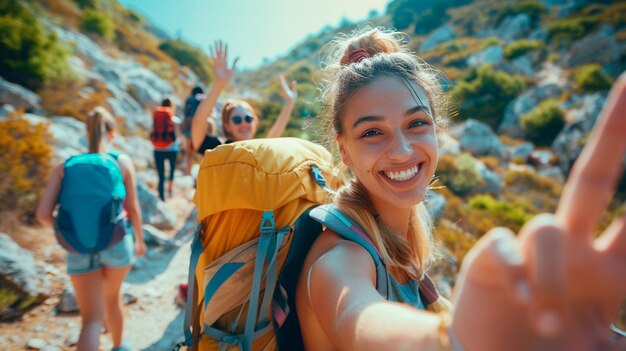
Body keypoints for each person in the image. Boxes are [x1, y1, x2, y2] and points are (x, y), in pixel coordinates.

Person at [295, 25, 626, 351]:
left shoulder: (396, 244)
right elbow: (354, 319)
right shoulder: (339, 257)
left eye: (416, 124)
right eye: (371, 132)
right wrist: (450, 341)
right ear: (343, 150)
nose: (403, 150)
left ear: (436, 129)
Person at [36, 107, 147, 351]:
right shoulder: (121, 162)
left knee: (91, 319)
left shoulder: (65, 166)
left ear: (86, 132)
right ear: (113, 133)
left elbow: (43, 214)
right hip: (117, 243)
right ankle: (119, 346)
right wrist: (139, 240)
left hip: (76, 246)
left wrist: (66, 232)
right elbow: (133, 208)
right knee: (113, 297)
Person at [190, 40, 298, 155]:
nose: (244, 123)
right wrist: (219, 83)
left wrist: (290, 103)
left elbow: (273, 135)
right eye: (237, 120)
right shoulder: (219, 149)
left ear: (254, 122)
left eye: (248, 118)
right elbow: (197, 128)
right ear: (227, 127)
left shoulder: (257, 151)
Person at [150, 97, 181, 201]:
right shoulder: (172, 118)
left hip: (157, 148)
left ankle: (161, 196)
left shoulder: (156, 115)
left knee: (161, 174)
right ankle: (170, 190)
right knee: (171, 171)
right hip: (171, 149)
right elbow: (178, 135)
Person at [182, 86, 205, 175]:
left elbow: (185, 114)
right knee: (204, 151)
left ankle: (188, 171)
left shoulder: (189, 99)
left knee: (189, 152)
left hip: (188, 126)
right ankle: (203, 172)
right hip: (199, 126)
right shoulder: (202, 99)